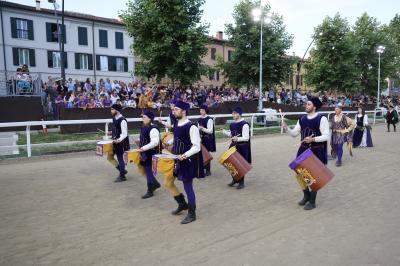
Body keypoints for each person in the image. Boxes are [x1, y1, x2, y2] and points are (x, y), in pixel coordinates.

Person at [283, 97, 330, 210]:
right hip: (303, 150)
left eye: (308, 104)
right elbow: (294, 133)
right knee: (299, 173)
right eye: (306, 104)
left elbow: (326, 136)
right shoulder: (302, 119)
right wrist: (287, 128)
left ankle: (312, 201)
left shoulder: (321, 119)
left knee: (313, 176)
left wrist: (313, 139)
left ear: (314, 107)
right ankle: (306, 195)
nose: (306, 105)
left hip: (316, 150)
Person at [172, 100, 204, 224]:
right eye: (174, 109)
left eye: (176, 109)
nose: (174, 111)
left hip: (188, 160)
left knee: (188, 186)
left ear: (183, 111)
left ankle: (192, 213)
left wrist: (184, 155)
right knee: (176, 182)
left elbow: (197, 147)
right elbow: (177, 139)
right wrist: (167, 143)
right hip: (178, 158)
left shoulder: (191, 126)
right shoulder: (176, 123)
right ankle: (183, 204)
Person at [222, 107, 251, 189]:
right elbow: (232, 135)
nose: (233, 115)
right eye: (232, 113)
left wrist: (237, 138)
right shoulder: (232, 124)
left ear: (239, 114)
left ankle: (241, 182)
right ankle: (234, 179)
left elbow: (246, 137)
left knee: (240, 164)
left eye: (235, 113)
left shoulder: (245, 124)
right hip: (233, 146)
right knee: (231, 164)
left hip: (242, 147)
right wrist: (224, 132)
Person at [137, 110, 162, 199]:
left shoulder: (153, 128)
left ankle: (150, 190)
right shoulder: (144, 126)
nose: (142, 118)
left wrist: (143, 148)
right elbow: (143, 137)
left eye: (144, 117)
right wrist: (139, 141)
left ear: (150, 119)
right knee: (145, 169)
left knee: (148, 170)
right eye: (142, 117)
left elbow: (155, 142)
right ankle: (155, 184)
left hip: (150, 153)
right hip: (144, 152)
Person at [107, 104, 130, 182]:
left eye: (112, 109)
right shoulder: (114, 118)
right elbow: (116, 129)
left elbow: (124, 134)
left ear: (117, 110)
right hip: (115, 141)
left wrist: (119, 140)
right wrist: (111, 132)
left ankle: (122, 176)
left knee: (120, 159)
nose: (111, 111)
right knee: (109, 157)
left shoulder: (122, 120)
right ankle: (122, 170)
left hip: (121, 142)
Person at [198, 104, 216, 176]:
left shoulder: (209, 119)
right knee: (200, 154)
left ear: (205, 111)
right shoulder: (199, 119)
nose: (201, 111)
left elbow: (210, 131)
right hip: (201, 139)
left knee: (206, 154)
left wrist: (202, 128)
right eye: (200, 110)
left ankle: (208, 170)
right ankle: (202, 168)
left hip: (207, 139)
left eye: (202, 110)